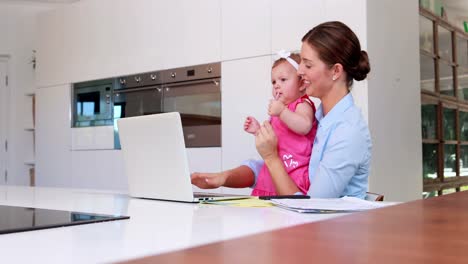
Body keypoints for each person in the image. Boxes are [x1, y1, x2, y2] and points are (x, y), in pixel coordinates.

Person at [192, 21, 371, 199]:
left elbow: (312, 206)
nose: (299, 71)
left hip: (325, 227)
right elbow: (277, 169)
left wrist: (271, 156)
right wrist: (224, 177)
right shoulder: (320, 116)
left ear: (336, 71)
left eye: (308, 65)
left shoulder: (348, 132)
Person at [192, 51, 317, 196]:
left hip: (292, 176)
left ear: (302, 83)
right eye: (274, 82)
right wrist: (258, 131)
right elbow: (272, 142)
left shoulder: (302, 104)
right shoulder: (278, 110)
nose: (277, 86)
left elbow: (305, 126)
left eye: (283, 80)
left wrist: (282, 111)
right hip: (271, 176)